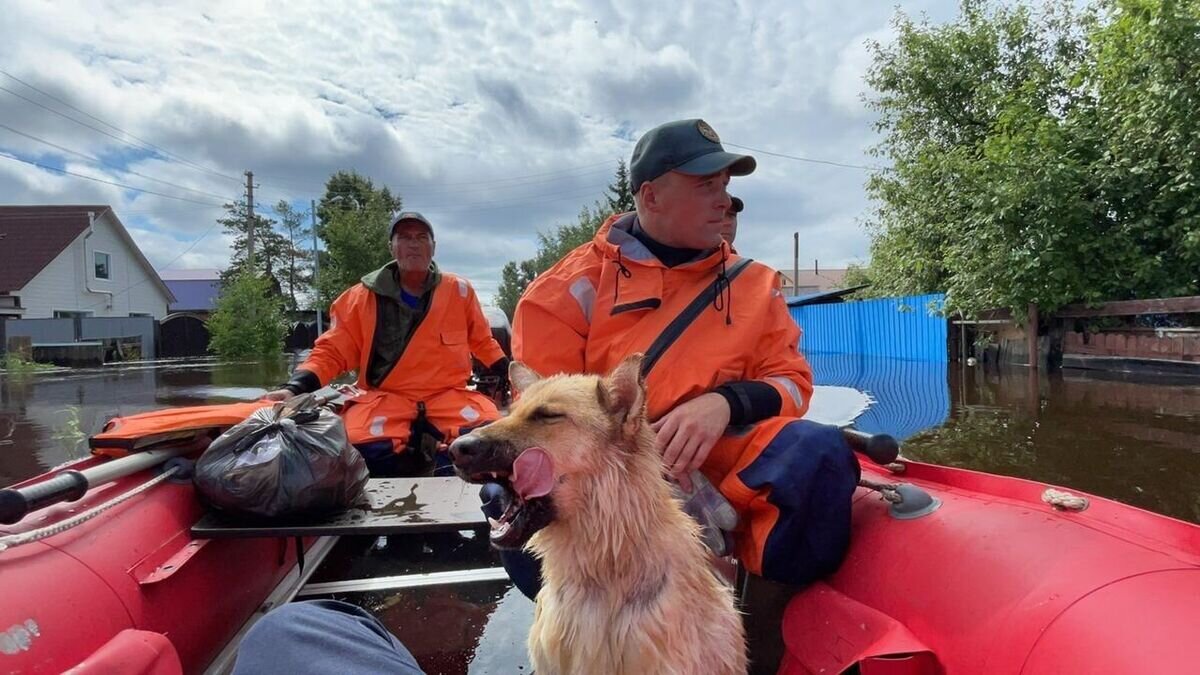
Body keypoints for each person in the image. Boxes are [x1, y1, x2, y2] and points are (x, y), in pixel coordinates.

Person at [508, 119, 860, 589]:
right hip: (607, 473)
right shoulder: (560, 292)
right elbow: (542, 423)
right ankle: (618, 599)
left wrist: (723, 404)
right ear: (651, 197)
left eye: (725, 185)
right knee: (517, 501)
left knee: (821, 455)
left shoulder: (756, 283)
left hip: (719, 464)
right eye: (705, 185)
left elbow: (793, 383)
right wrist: (637, 467)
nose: (723, 200)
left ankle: (762, 598)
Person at [266, 212, 508, 476]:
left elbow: (484, 342)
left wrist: (513, 376)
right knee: (364, 447)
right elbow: (332, 351)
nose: (413, 244)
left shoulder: (459, 291)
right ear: (391, 247)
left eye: (421, 237)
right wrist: (294, 388)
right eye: (404, 237)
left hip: (449, 394)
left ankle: (455, 489)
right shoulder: (358, 298)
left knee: (486, 442)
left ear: (433, 247)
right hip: (386, 397)